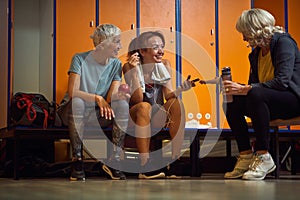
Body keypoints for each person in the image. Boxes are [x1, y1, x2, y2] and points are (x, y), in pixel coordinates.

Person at [222, 8, 300, 180]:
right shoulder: (255, 53)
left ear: (255, 28)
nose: (243, 38)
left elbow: (282, 82)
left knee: (255, 94)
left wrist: (248, 89)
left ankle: (264, 155)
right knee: (230, 100)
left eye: (245, 33)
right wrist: (236, 88)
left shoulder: (284, 43)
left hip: (293, 99)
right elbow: (254, 85)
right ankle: (245, 155)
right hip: (269, 101)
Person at [59, 24, 130, 181]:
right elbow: (73, 92)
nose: (120, 46)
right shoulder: (79, 58)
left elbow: (111, 97)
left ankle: (115, 160)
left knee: (123, 105)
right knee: (78, 101)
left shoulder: (116, 64)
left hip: (97, 114)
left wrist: (121, 96)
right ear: (103, 43)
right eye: (117, 42)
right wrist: (98, 98)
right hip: (72, 112)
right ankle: (77, 160)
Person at [122, 31, 195, 179]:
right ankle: (145, 164)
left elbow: (168, 95)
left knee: (176, 103)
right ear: (142, 51)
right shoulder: (129, 67)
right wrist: (135, 72)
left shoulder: (165, 65)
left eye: (162, 46)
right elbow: (137, 99)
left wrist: (181, 88)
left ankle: (175, 161)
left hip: (156, 115)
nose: (161, 51)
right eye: (156, 47)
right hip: (136, 115)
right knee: (144, 106)